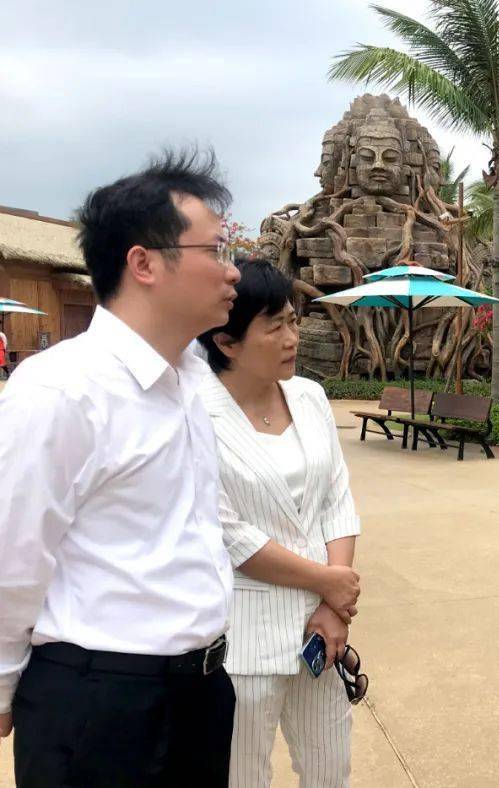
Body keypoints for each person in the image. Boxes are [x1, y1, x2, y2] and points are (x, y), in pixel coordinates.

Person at [0, 150, 242, 785]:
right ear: (143, 263)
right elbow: (13, 549)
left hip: (202, 690)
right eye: (215, 250)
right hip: (100, 700)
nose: (232, 271)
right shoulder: (61, 389)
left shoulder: (190, 378)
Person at [196, 258, 362, 788]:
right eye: (275, 327)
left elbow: (336, 498)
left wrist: (334, 604)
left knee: (329, 770)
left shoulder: (309, 398)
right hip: (243, 640)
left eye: (294, 321)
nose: (293, 338)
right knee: (243, 775)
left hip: (322, 631)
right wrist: (327, 581)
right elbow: (229, 532)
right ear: (226, 341)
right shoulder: (193, 413)